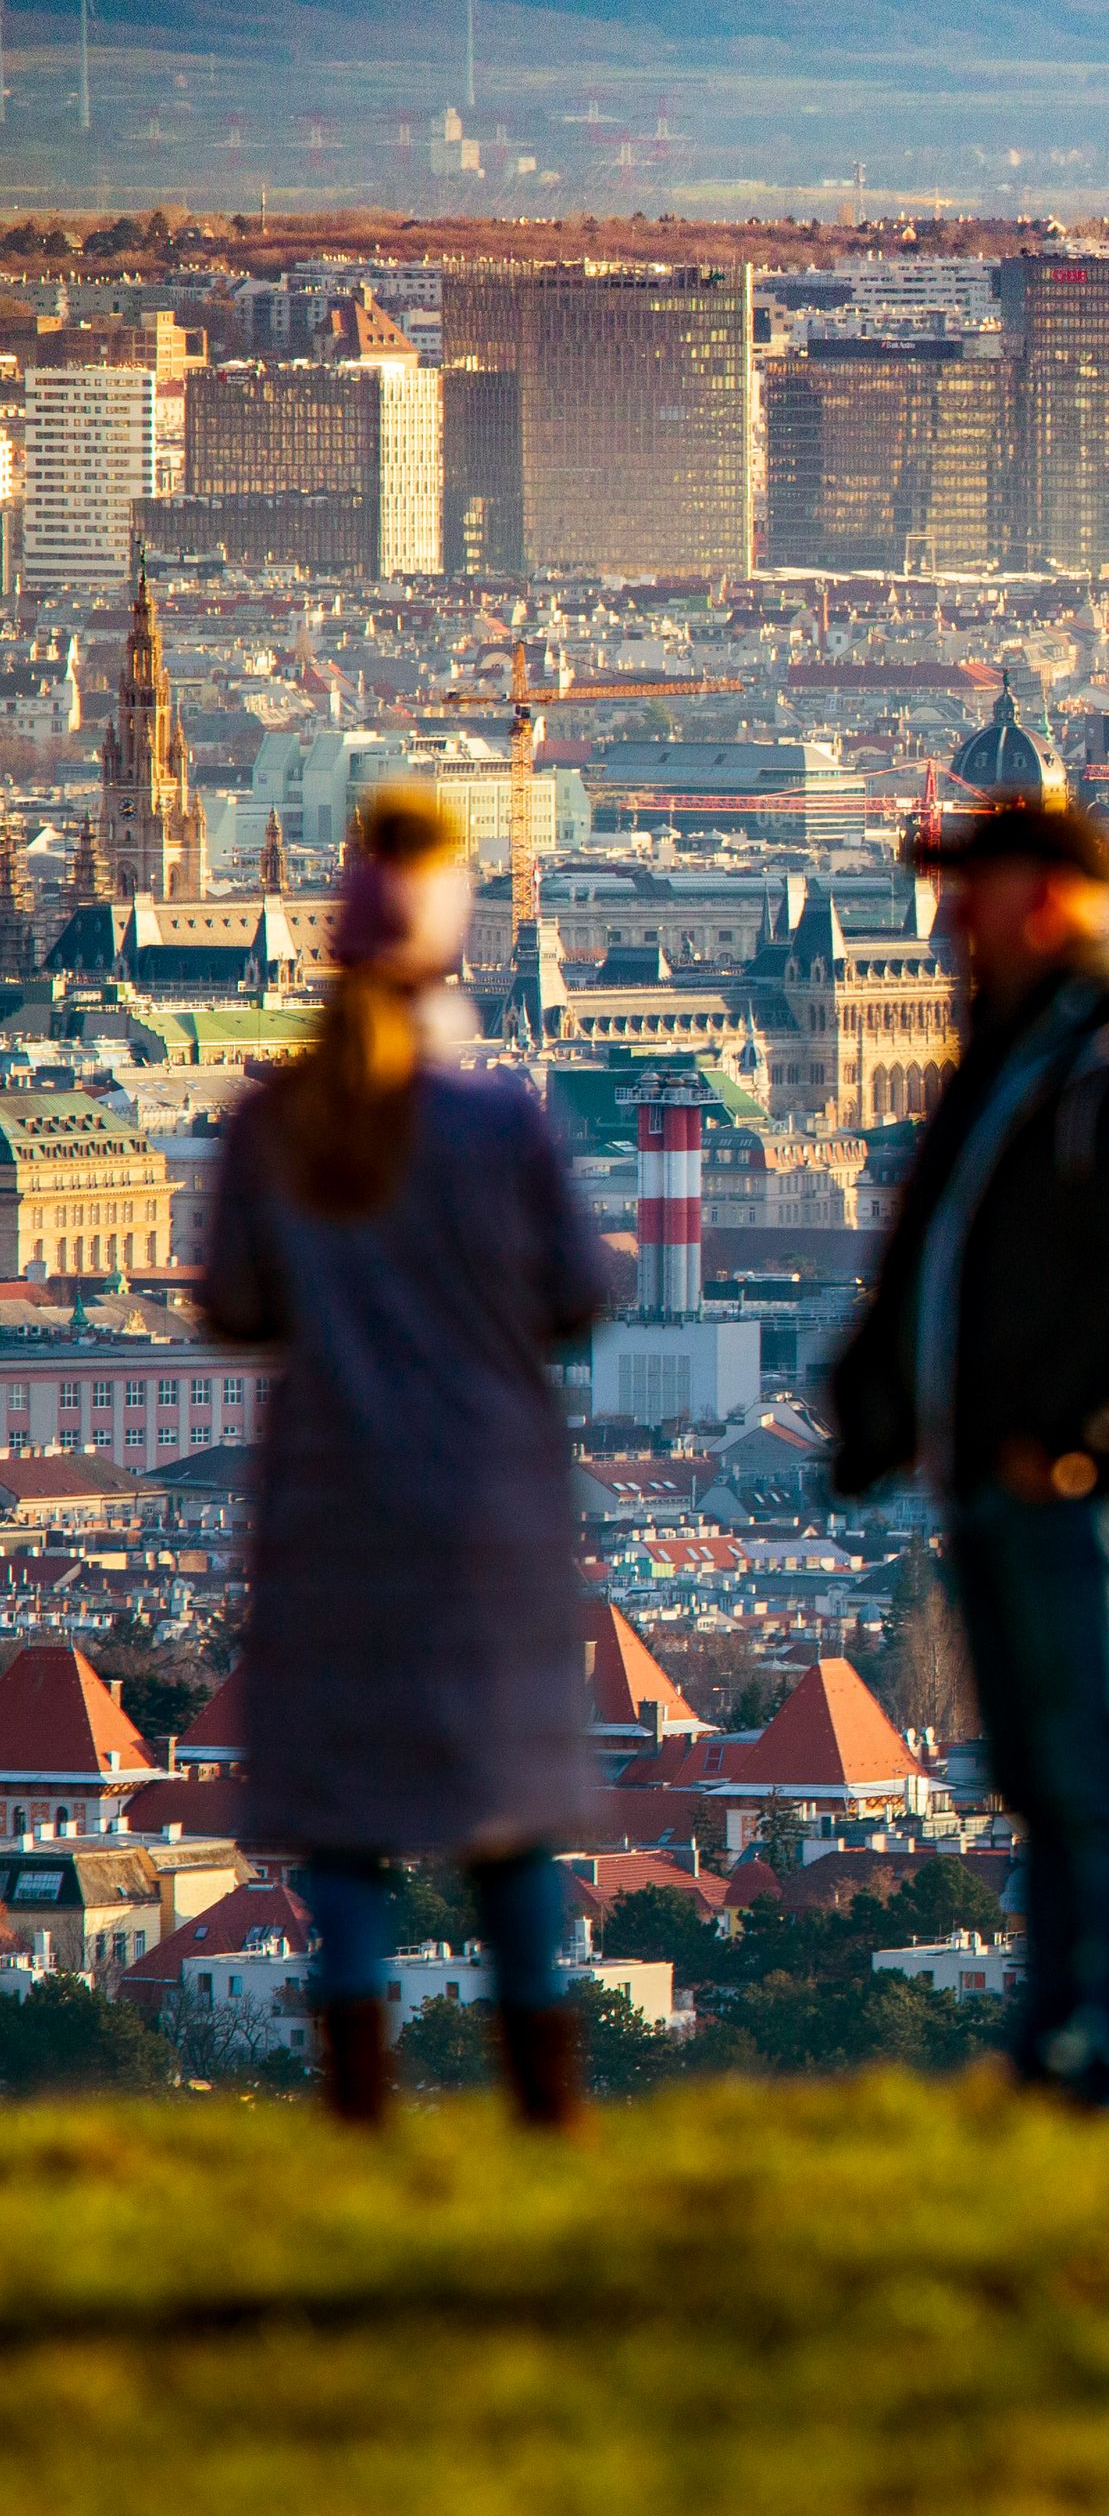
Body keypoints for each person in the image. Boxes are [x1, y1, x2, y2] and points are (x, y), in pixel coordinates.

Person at [200, 789, 625, 2132]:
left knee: (343, 1820)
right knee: (506, 1814)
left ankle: (358, 2102)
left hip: (331, 1499)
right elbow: (580, 1290)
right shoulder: (504, 1124)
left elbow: (234, 1305)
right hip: (485, 1505)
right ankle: (544, 2101)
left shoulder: (276, 1122)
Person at [827, 796, 1109, 2117]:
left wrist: (1065, 1441)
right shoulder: (1010, 1051)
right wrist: (875, 1409)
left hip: (1083, 1485)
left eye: (970, 891)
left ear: (1048, 897)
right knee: (1045, 1783)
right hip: (995, 1474)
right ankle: (1056, 2049)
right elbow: (932, 1256)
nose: (946, 919)